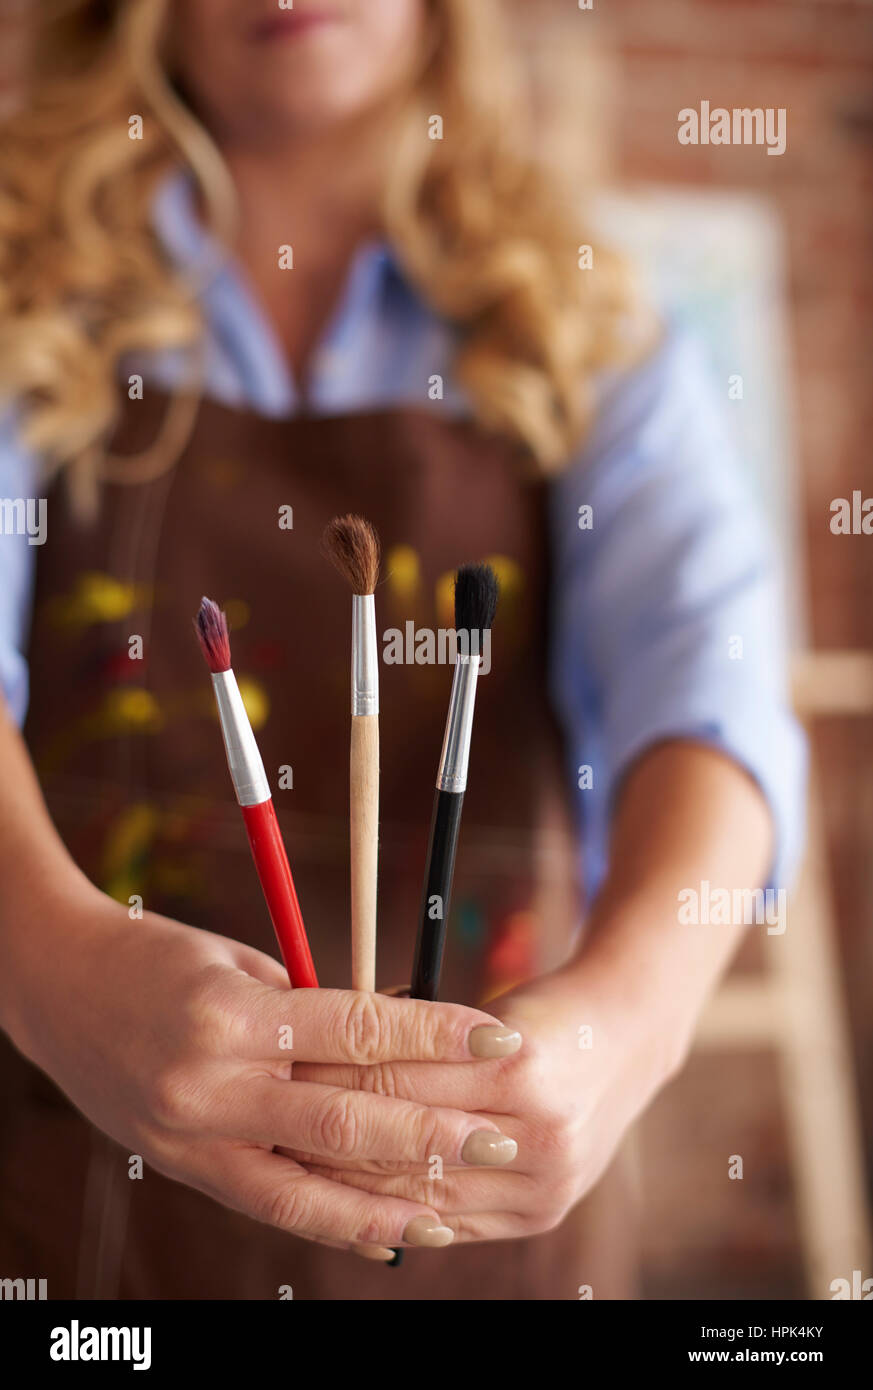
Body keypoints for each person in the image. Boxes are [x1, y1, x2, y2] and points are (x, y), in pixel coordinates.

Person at [0, 0, 804, 1300]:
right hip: (77, 1212)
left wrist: (625, 1027)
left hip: (480, 1211)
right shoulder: (23, 277)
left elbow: (712, 699)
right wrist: (44, 965)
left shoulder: (576, 315)